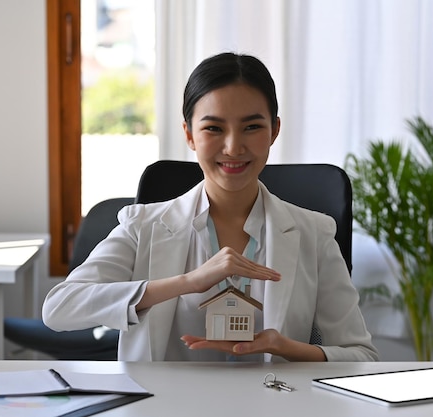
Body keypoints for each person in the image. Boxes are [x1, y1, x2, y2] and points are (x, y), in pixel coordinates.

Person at [42, 52, 378, 362]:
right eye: (214, 128)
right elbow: (59, 308)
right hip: (166, 406)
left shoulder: (314, 233)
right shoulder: (142, 224)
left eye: (252, 127)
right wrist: (188, 281)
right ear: (189, 135)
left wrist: (284, 346)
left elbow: (362, 356)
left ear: (274, 130)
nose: (233, 147)